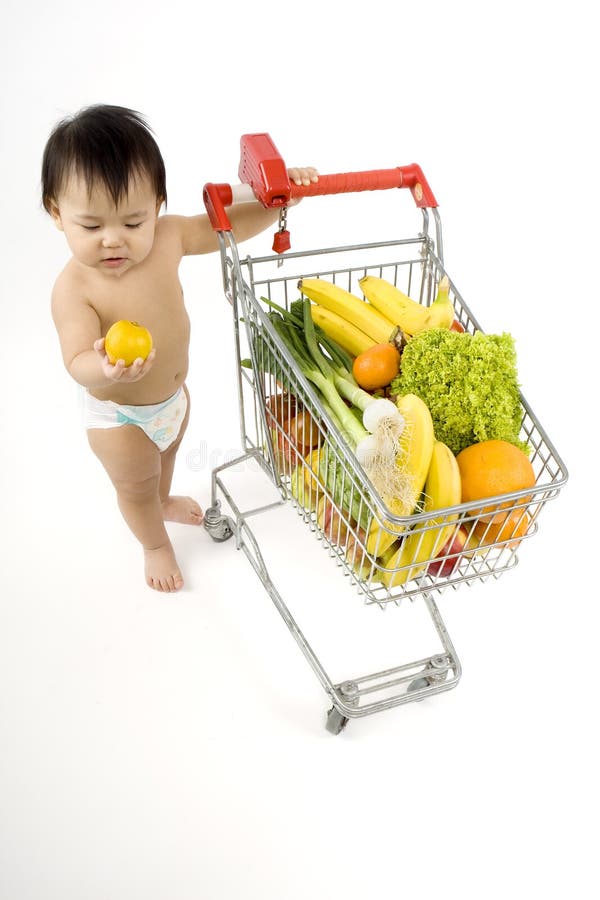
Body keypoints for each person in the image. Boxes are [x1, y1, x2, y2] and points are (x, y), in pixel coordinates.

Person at [42, 104, 318, 593]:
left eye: (133, 221)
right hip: (119, 418)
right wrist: (103, 366)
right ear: (57, 213)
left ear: (158, 205)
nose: (113, 240)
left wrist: (279, 203)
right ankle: (153, 543)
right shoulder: (74, 288)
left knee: (166, 457)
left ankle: (164, 500)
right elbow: (76, 362)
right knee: (136, 483)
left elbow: (226, 225)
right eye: (91, 227)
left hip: (172, 401)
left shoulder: (169, 238)